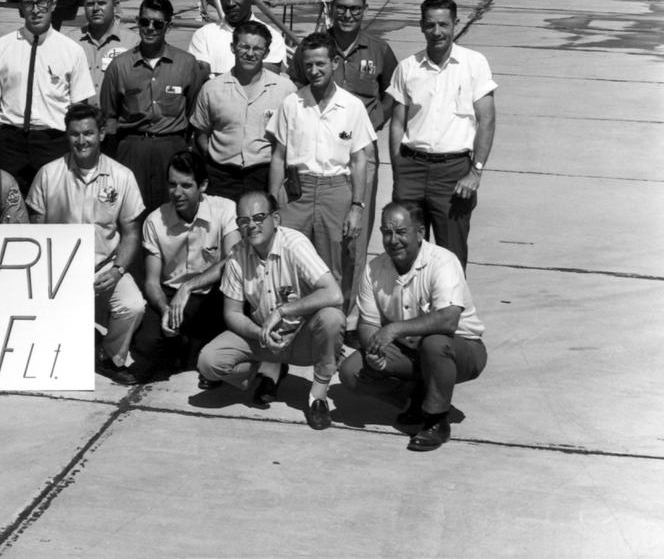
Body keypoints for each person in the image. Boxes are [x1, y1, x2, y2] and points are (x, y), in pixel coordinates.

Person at [339, 201, 487, 452]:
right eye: (386, 232)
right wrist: (374, 351)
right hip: (409, 351)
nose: (393, 239)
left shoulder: (443, 261)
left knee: (435, 343)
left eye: (401, 232)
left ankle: (436, 421)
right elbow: (368, 323)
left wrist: (395, 329)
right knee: (351, 371)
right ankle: (415, 399)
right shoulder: (375, 268)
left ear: (420, 233)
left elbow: (449, 319)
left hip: (460, 349)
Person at [197, 192, 345, 430]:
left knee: (332, 318)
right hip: (263, 336)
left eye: (258, 217)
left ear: (275, 219)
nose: (252, 225)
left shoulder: (294, 244)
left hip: (301, 337)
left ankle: (317, 397)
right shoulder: (236, 255)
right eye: (244, 221)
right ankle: (267, 371)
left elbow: (333, 293)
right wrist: (259, 333)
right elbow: (232, 314)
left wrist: (283, 311)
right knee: (209, 362)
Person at [26, 103, 146, 385]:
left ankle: (109, 357)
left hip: (104, 267)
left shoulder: (122, 176)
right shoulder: (48, 174)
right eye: (75, 134)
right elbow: (36, 229)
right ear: (66, 136)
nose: (82, 141)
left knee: (133, 305)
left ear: (102, 133)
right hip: (58, 268)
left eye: (88, 133)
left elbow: (131, 233)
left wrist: (117, 271)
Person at [387, 0, 497, 269]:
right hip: (411, 168)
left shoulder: (474, 64)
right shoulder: (407, 68)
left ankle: (450, 311)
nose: (437, 32)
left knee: (451, 256)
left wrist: (476, 171)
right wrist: (398, 169)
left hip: (454, 173)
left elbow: (487, 120)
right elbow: (397, 124)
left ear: (455, 24)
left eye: (444, 25)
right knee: (404, 250)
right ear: (421, 26)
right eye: (430, 25)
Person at [269, 31, 376, 293]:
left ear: (335, 63)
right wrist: (273, 203)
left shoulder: (352, 107)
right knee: (289, 262)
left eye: (321, 64)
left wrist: (357, 207)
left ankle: (334, 325)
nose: (314, 70)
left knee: (334, 265)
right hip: (296, 193)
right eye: (308, 65)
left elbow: (359, 160)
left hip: (336, 191)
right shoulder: (291, 104)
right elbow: (278, 157)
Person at [0, 0, 95, 196]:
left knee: (54, 212)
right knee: (7, 209)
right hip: (11, 145)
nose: (36, 10)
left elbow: (79, 111)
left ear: (53, 5)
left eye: (42, 3)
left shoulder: (71, 51)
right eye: (29, 3)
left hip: (53, 144)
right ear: (21, 7)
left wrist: (77, 156)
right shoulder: (1, 48)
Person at [133, 151, 237, 383]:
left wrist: (188, 287)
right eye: (172, 185)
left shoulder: (226, 209)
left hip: (211, 294)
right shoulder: (154, 221)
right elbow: (151, 281)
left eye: (186, 185)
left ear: (203, 185)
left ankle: (192, 349)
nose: (176, 193)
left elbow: (234, 261)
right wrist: (164, 308)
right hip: (170, 295)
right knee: (145, 347)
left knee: (211, 347)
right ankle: (183, 345)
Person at [100, 0, 206, 212]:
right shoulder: (120, 66)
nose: (149, 28)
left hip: (171, 147)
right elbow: (109, 115)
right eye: (144, 22)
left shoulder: (186, 64)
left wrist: (180, 143)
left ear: (169, 26)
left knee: (171, 213)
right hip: (131, 147)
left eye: (157, 23)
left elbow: (193, 110)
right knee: (130, 211)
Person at [190, 21, 296, 204]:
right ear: (233, 48)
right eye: (244, 46)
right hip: (221, 177)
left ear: (267, 53)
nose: (250, 53)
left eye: (257, 49)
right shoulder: (211, 89)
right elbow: (201, 133)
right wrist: (217, 158)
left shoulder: (285, 90)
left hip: (263, 176)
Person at [188, 0, 286, 77]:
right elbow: (199, 78)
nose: (230, 3)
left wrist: (215, 78)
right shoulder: (203, 35)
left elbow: (266, 80)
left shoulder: (272, 37)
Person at [67, 0, 130, 95]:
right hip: (80, 112)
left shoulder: (132, 43)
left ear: (115, 6)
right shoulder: (70, 41)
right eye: (90, 4)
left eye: (102, 3)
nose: (96, 9)